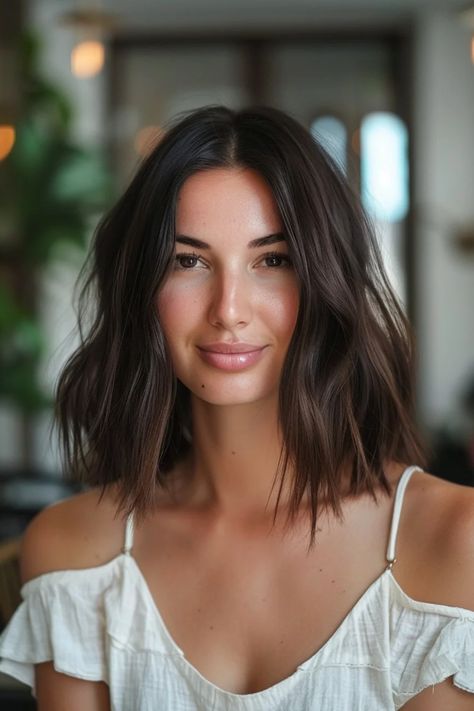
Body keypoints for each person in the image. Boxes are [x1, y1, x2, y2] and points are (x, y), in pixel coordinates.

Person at [0, 104, 473, 710]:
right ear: (143, 289)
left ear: (326, 280)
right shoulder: (75, 555)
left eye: (272, 260)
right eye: (188, 261)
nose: (228, 308)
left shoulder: (450, 545)